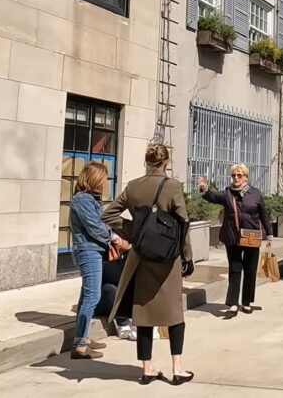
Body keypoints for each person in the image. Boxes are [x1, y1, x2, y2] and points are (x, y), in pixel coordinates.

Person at [102, 144, 195, 385]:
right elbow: (183, 223)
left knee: (143, 313)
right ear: (166, 163)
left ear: (146, 162)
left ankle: (147, 368)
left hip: (141, 255)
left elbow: (108, 214)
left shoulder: (133, 186)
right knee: (174, 312)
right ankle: (177, 368)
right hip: (168, 257)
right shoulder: (173, 186)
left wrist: (136, 230)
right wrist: (187, 256)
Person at [198, 163, 273, 316]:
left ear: (246, 177)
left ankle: (246, 302)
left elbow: (263, 215)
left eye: (239, 175)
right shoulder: (227, 194)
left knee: (250, 270)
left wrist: (269, 234)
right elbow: (212, 196)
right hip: (232, 236)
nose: (236, 178)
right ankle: (232, 303)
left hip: (251, 236)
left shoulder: (255, 193)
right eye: (233, 175)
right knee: (235, 269)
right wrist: (203, 188)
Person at [69, 161, 126, 360]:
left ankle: (81, 338)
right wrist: (113, 237)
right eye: (102, 179)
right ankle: (80, 345)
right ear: (94, 179)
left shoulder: (89, 199)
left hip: (92, 250)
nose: (104, 183)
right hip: (88, 251)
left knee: (86, 295)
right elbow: (94, 226)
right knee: (92, 296)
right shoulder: (83, 199)